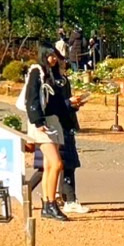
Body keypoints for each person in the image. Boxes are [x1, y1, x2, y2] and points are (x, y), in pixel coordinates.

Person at [22, 45, 67, 220]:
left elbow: (56, 100)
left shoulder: (54, 74)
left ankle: (48, 204)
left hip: (53, 120)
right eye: (50, 56)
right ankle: (50, 203)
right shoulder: (37, 71)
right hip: (42, 122)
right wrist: (37, 121)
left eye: (55, 55)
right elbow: (31, 97)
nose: (53, 59)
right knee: (57, 164)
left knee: (49, 165)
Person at [53, 45, 90, 214]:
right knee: (61, 164)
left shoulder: (63, 80)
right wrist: (69, 103)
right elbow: (53, 105)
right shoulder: (52, 80)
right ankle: (69, 199)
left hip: (65, 123)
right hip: (58, 125)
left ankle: (66, 197)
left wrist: (74, 105)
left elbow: (64, 104)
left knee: (62, 164)